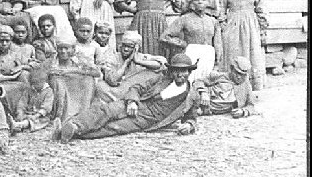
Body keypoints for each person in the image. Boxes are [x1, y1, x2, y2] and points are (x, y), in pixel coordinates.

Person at [52, 54, 201, 143]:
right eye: (176, 71)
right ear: (171, 71)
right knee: (106, 110)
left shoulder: (191, 96)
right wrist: (132, 102)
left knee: (114, 128)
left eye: (184, 71)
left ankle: (71, 134)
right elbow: (136, 88)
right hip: (136, 104)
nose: (180, 75)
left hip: (148, 119)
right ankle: (76, 125)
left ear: (189, 72)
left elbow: (192, 117)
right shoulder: (161, 79)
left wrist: (189, 125)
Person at [221, 0, 269, 91]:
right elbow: (222, 9)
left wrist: (262, 27)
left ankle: (252, 85)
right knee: (233, 50)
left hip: (250, 23)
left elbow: (260, 8)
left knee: (251, 50)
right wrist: (223, 24)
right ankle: (232, 84)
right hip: (233, 23)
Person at [159, 0, 223, 82]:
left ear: (208, 3)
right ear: (192, 3)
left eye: (203, 0)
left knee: (206, 81)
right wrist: (182, 44)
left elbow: (218, 43)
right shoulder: (185, 19)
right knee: (190, 80)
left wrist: (217, 62)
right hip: (191, 53)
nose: (200, 2)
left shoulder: (212, 21)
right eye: (197, 0)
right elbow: (165, 36)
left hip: (208, 54)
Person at [96, 31, 166, 102]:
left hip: (133, 91)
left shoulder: (141, 57)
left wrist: (138, 61)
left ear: (136, 48)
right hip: (115, 91)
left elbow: (161, 65)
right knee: (100, 85)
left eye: (130, 46)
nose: (126, 49)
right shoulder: (113, 57)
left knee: (156, 74)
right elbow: (113, 80)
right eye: (124, 45)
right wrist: (126, 63)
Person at [47, 34, 102, 121]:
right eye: (60, 48)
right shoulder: (52, 61)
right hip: (60, 89)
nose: (63, 51)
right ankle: (62, 116)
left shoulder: (79, 60)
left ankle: (83, 115)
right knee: (57, 82)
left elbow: (97, 73)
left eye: (66, 48)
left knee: (89, 80)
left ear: (73, 49)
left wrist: (71, 71)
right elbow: (43, 73)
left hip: (76, 88)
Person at [10, 67, 54, 133]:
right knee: (21, 118)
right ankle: (18, 124)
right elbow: (22, 102)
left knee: (40, 122)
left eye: (37, 84)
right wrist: (20, 112)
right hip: (28, 113)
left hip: (40, 116)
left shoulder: (48, 91)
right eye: (33, 83)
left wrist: (36, 115)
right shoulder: (29, 90)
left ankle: (20, 125)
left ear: (44, 81)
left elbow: (46, 107)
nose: (35, 86)